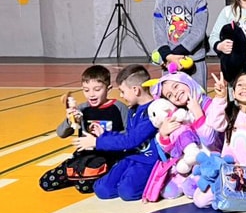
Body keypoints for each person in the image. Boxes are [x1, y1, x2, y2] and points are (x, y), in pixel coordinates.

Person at [39, 65, 129, 194]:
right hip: (83, 156)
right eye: (86, 90)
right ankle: (79, 176)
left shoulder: (119, 108)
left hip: (109, 156)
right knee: (46, 183)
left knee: (83, 186)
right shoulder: (82, 109)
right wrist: (70, 120)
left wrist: (104, 138)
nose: (91, 94)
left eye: (97, 89)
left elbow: (128, 136)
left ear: (108, 89)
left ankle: (100, 176)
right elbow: (61, 133)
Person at [73, 65, 158, 201]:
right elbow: (126, 137)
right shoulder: (133, 110)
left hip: (147, 160)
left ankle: (157, 182)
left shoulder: (154, 110)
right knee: (102, 189)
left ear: (135, 90)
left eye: (122, 91)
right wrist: (105, 135)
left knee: (127, 192)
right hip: (130, 157)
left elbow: (131, 140)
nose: (121, 96)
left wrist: (97, 142)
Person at [192, 72, 246, 207]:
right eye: (240, 85)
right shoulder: (230, 112)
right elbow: (214, 123)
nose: (245, 87)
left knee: (241, 198)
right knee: (200, 200)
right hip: (229, 173)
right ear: (233, 92)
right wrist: (220, 97)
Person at [149, 70, 220, 199]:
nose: (175, 94)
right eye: (169, 95)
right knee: (168, 191)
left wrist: (198, 114)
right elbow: (171, 149)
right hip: (189, 163)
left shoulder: (209, 105)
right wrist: (164, 134)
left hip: (211, 158)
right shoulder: (179, 113)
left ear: (187, 82)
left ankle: (196, 179)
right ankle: (187, 177)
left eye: (176, 86)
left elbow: (210, 140)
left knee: (195, 190)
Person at [153, 0, 209, 89]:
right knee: (171, 97)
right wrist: (167, 55)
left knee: (197, 97)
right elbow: (159, 32)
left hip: (193, 61)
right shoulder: (161, 2)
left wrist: (176, 54)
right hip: (169, 62)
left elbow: (198, 33)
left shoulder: (199, 1)